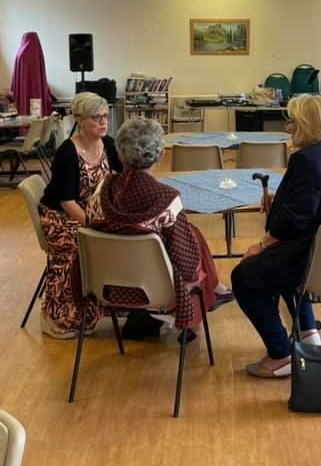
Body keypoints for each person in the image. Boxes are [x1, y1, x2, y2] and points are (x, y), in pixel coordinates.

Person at [231, 94, 321, 379]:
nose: (289, 128)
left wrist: (259, 245)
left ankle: (281, 354)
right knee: (277, 263)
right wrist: (279, 200)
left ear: (307, 124)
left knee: (244, 276)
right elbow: (314, 203)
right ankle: (308, 335)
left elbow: (293, 224)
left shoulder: (306, 159)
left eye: (293, 122)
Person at [85, 117, 231, 338]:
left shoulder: (100, 193)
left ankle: (145, 317)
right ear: (161, 156)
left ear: (119, 153)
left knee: (189, 235)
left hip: (107, 285)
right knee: (190, 246)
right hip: (157, 289)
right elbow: (186, 263)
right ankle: (194, 317)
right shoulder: (167, 200)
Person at [39, 92, 122, 339]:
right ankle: (57, 317)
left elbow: (125, 174)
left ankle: (107, 306)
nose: (103, 122)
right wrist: (93, 225)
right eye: (96, 117)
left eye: (106, 116)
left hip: (93, 210)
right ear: (80, 120)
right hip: (59, 215)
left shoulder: (108, 144)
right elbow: (66, 202)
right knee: (79, 246)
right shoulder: (67, 153)